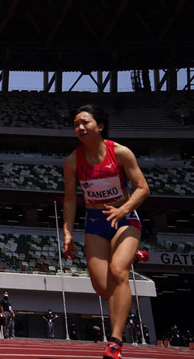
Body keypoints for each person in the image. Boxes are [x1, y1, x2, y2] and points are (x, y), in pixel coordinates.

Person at [63, 105, 150, 359]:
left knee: (117, 270)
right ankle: (130, 256)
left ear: (100, 126)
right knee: (102, 287)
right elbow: (70, 201)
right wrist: (67, 232)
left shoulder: (120, 152)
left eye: (85, 122)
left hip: (124, 219)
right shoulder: (72, 161)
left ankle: (115, 341)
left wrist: (123, 210)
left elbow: (143, 188)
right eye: (76, 124)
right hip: (95, 221)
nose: (80, 127)